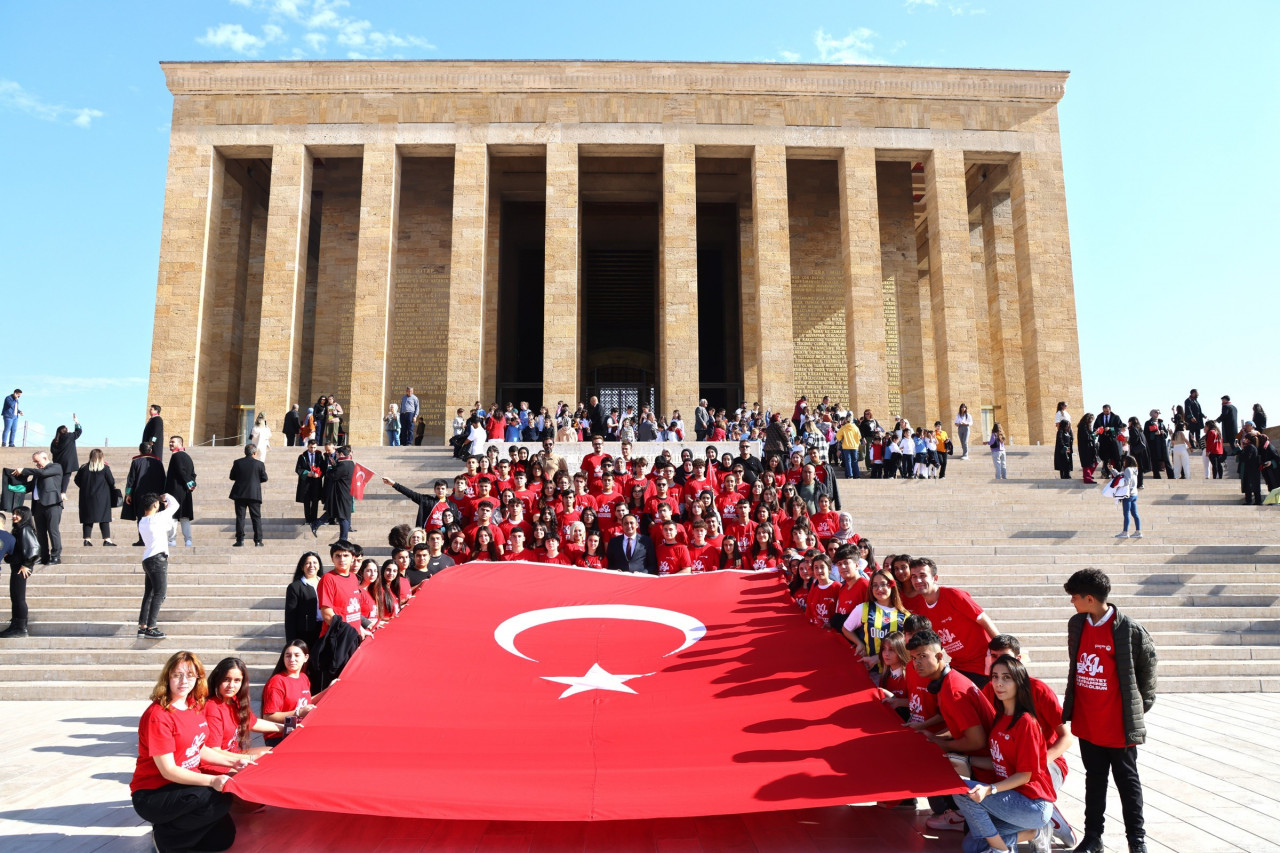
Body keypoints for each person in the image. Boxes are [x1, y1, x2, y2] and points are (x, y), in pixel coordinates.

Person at [1062, 568, 1157, 853]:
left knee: (1128, 783)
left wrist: (1136, 707)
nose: (1072, 602)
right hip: (1088, 722)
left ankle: (1136, 841)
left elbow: (1147, 669)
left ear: (1090, 598)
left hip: (1118, 725)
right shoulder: (1077, 624)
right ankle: (1093, 837)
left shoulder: (1128, 628)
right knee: (1095, 780)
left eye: (1075, 597)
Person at [130, 651, 246, 853]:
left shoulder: (194, 706)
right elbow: (168, 771)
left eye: (190, 675)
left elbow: (199, 748)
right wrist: (212, 781)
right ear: (168, 677)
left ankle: (180, 836)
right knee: (219, 797)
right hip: (154, 793)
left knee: (224, 839)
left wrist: (233, 763)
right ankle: (165, 837)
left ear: (198, 678)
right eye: (178, 675)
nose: (184, 681)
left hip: (183, 786)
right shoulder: (158, 715)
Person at [953, 655, 1059, 853]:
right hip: (1011, 800)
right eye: (995, 677)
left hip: (1033, 804)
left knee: (960, 789)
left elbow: (1025, 775)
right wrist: (962, 761)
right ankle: (1035, 833)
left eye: (1006, 678)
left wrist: (989, 789)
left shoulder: (1026, 722)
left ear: (1019, 682)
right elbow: (999, 763)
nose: (999, 683)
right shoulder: (1000, 718)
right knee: (971, 846)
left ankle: (1001, 850)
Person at [906, 629, 998, 833]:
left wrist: (940, 743)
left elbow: (976, 742)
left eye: (922, 656)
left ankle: (960, 812)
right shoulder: (949, 680)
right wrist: (936, 737)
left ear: (940, 656)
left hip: (991, 769)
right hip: (988, 759)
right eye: (913, 658)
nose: (916, 663)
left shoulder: (953, 691)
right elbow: (960, 727)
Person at [907, 557, 999, 686]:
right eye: (914, 576)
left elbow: (984, 620)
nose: (918, 580)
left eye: (923, 575)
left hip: (982, 664)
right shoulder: (920, 608)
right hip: (958, 665)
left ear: (935, 578)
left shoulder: (953, 595)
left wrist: (1003, 650)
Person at [203, 657, 285, 770]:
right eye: (226, 679)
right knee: (262, 768)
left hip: (232, 754)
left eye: (237, 680)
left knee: (273, 752)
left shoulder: (234, 700)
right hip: (217, 762)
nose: (231, 685)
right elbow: (214, 752)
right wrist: (251, 758)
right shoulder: (212, 707)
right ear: (217, 678)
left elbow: (253, 722)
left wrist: (284, 727)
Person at [841, 569, 909, 679]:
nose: (879, 589)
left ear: (892, 586)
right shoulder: (863, 608)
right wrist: (859, 643)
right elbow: (846, 628)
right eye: (875, 585)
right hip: (871, 672)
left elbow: (907, 647)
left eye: (883, 584)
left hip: (897, 674)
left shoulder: (905, 615)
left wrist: (878, 658)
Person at [6, 451, 65, 565]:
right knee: (41, 533)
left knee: (53, 531)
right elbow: (30, 487)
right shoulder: (38, 473)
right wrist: (12, 486)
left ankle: (56, 556)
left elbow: (43, 473)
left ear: (45, 457)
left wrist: (24, 470)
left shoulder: (55, 467)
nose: (36, 464)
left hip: (52, 504)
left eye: (37, 461)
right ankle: (44, 557)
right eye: (34, 462)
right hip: (38, 506)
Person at [260, 640, 321, 748]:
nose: (292, 659)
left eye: (297, 655)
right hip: (279, 736)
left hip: (299, 732)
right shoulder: (277, 682)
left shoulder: (303, 677)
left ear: (306, 658)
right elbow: (269, 716)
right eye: (288, 656)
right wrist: (298, 712)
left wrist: (330, 689)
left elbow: (306, 701)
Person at [136, 492, 180, 639]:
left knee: (149, 594)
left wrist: (164, 509)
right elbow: (176, 505)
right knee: (160, 593)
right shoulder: (159, 517)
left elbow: (166, 527)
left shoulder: (142, 522)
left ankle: (143, 626)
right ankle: (151, 626)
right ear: (155, 505)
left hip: (147, 559)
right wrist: (166, 496)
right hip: (157, 559)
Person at [1, 508, 37, 637]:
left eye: (18, 514)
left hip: (21, 568)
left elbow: (35, 549)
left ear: (25, 516)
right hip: (17, 567)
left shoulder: (25, 529)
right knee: (15, 596)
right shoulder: (19, 529)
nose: (14, 516)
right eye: (14, 514)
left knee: (19, 598)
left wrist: (27, 564)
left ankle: (21, 628)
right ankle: (16, 624)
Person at [122, 443, 166, 544]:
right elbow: (163, 478)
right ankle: (154, 539)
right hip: (155, 494)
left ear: (139, 450)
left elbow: (131, 479)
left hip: (139, 494)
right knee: (155, 516)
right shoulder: (158, 462)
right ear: (150, 451)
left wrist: (128, 494)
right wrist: (163, 494)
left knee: (141, 517)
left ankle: (142, 540)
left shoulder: (136, 462)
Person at [74, 448, 117, 546]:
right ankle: (107, 540)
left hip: (86, 497)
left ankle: (87, 539)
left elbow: (76, 480)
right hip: (102, 497)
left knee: (87, 519)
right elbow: (111, 482)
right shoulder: (105, 468)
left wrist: (85, 487)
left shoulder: (83, 468)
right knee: (104, 518)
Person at [228, 444, 267, 547]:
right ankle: (258, 541)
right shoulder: (259, 464)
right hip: (254, 494)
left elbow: (232, 477)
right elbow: (264, 478)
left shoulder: (237, 462)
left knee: (240, 517)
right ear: (254, 453)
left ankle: (240, 540)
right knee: (256, 518)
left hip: (240, 493)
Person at [313, 446, 355, 541]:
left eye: (337, 454)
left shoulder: (343, 465)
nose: (335, 456)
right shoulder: (350, 463)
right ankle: (316, 524)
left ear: (341, 454)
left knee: (343, 518)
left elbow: (332, 475)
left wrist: (329, 468)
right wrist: (335, 465)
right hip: (344, 494)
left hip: (341, 494)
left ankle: (343, 540)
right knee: (333, 512)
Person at [284, 551, 323, 650]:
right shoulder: (295, 587)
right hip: (306, 632)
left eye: (315, 563)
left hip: (325, 629)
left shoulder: (325, 583)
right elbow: (290, 617)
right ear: (302, 567)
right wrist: (291, 642)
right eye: (308, 563)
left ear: (319, 566)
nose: (311, 566)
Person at [165, 436, 197, 548]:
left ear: (180, 443)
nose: (170, 443)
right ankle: (188, 540)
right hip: (185, 492)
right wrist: (191, 484)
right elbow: (193, 474)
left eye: (173, 442)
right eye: (170, 441)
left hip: (175, 490)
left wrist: (188, 482)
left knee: (173, 516)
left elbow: (180, 471)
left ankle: (172, 540)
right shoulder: (188, 457)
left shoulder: (176, 456)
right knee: (185, 517)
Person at [50, 415, 82, 498]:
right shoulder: (69, 436)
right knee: (66, 476)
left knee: (59, 476)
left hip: (58, 461)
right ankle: (63, 492)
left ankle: (57, 491)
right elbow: (78, 431)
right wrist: (76, 421)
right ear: (66, 431)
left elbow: (52, 451)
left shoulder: (55, 441)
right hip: (68, 461)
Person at [294, 439, 324, 528]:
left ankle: (314, 519)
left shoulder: (319, 455)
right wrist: (307, 473)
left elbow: (323, 467)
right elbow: (298, 469)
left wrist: (318, 474)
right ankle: (307, 519)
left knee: (315, 500)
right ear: (308, 446)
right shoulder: (302, 456)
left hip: (316, 481)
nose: (313, 449)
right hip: (306, 481)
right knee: (306, 501)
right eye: (311, 447)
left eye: (314, 447)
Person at [1113, 454, 1141, 539]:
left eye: (1125, 461)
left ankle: (1125, 532)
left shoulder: (1128, 469)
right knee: (1135, 514)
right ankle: (1138, 531)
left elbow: (1126, 481)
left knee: (1126, 514)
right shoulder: (1134, 469)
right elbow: (1120, 475)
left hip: (1128, 495)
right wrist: (1112, 470)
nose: (1124, 462)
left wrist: (1119, 484)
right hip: (1134, 494)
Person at [1238, 434, 1263, 506]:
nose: (1244, 440)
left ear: (1248, 439)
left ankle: (1249, 501)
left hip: (1249, 470)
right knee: (1255, 486)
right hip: (1254, 470)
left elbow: (1245, 458)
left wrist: (1240, 450)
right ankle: (1258, 501)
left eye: (1245, 439)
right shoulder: (1253, 447)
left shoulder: (1249, 447)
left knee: (1249, 485)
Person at [1077, 413, 1098, 485]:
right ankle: (1087, 478)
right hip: (1085, 448)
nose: (1091, 422)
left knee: (1093, 462)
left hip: (1089, 447)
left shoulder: (1086, 426)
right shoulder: (1083, 426)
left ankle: (1088, 476)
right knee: (1087, 464)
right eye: (1091, 420)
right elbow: (1086, 437)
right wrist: (1094, 435)